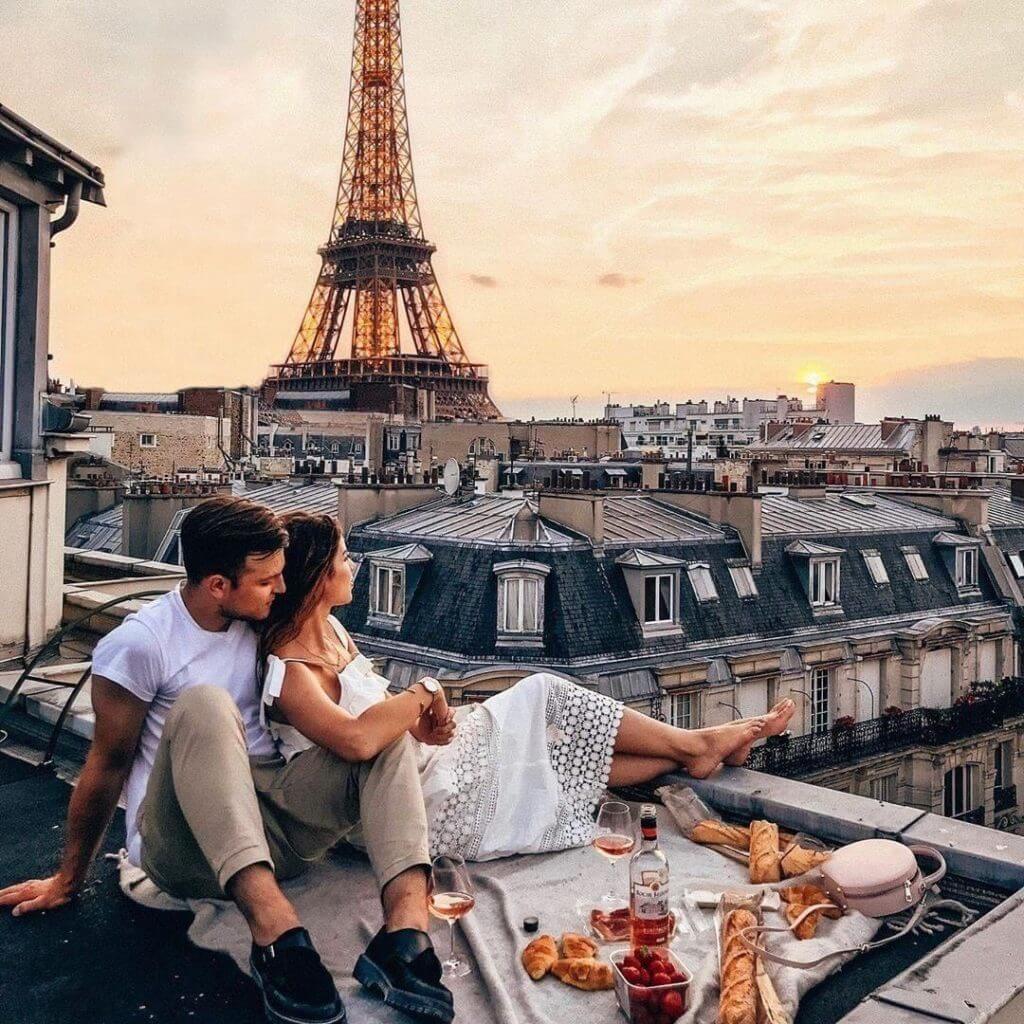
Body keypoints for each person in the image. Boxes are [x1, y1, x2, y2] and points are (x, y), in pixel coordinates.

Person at [0, 496, 455, 1024]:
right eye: (266, 582)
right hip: (185, 843)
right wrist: (67, 880)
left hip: (276, 829)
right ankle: (276, 933)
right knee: (205, 704)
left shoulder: (263, 620)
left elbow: (342, 703)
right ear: (218, 585)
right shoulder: (143, 644)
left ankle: (403, 938)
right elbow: (107, 765)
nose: (280, 589)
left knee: (384, 738)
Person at [261, 513, 796, 864]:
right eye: (344, 558)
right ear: (316, 576)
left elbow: (378, 713)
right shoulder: (291, 672)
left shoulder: (332, 631)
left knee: (557, 752)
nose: (352, 564)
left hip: (426, 758)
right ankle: (698, 744)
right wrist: (425, 692)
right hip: (407, 801)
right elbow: (355, 741)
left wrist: (427, 716)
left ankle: (692, 753)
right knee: (543, 694)